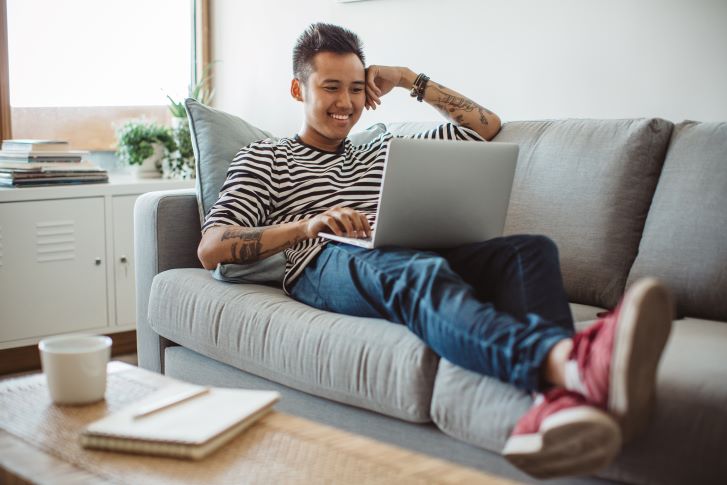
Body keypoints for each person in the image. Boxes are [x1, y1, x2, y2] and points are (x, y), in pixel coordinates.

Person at [197, 23, 673, 478]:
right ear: (299, 91)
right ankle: (568, 362)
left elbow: (486, 126)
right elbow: (212, 247)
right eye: (331, 88)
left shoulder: (380, 146)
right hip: (323, 261)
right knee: (417, 270)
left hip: (397, 248)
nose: (346, 102)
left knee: (529, 251)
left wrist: (408, 79)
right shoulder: (266, 157)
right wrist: (308, 225)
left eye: (357, 88)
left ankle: (555, 409)